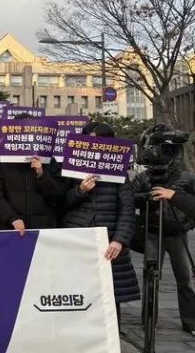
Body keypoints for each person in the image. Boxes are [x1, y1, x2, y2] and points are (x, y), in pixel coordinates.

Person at [62, 122, 140, 331]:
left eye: (97, 141)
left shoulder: (119, 173)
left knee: (110, 296)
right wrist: (80, 190)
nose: (93, 146)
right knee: (79, 293)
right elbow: (62, 203)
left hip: (109, 242)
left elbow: (127, 208)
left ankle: (111, 339)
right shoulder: (71, 170)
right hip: (79, 239)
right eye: (88, 140)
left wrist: (119, 240)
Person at [133, 124, 195, 336]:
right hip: (152, 232)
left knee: (184, 279)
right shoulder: (143, 177)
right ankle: (149, 320)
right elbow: (130, 199)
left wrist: (188, 223)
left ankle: (190, 321)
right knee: (150, 278)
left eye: (170, 149)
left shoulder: (186, 177)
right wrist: (147, 198)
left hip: (178, 234)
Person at [0, 115, 65, 234]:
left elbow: (59, 195)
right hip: (10, 228)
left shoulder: (48, 160)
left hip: (43, 228)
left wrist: (42, 175)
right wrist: (12, 218)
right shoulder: (0, 160)